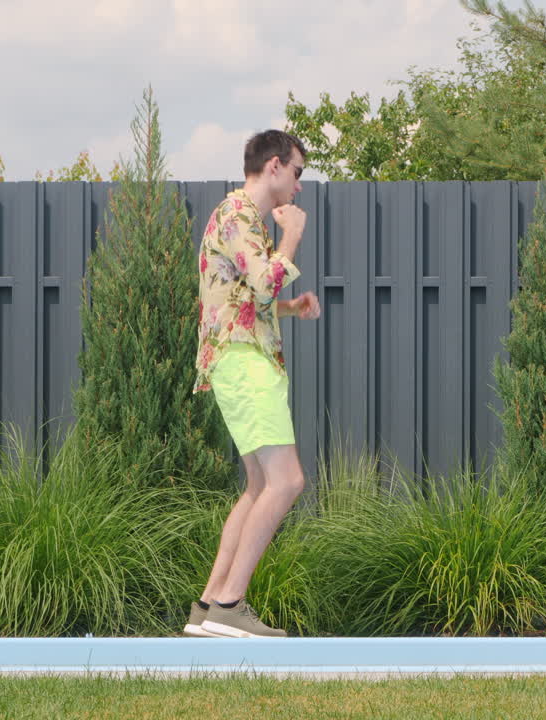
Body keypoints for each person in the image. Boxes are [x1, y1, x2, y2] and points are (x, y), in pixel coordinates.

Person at [185, 129, 321, 639]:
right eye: (297, 172)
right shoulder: (239, 214)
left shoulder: (241, 220)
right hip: (243, 364)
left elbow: (246, 298)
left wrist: (291, 306)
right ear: (273, 167)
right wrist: (293, 235)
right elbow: (265, 281)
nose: (299, 187)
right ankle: (229, 605)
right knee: (287, 482)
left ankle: (207, 607)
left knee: (261, 486)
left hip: (239, 357)